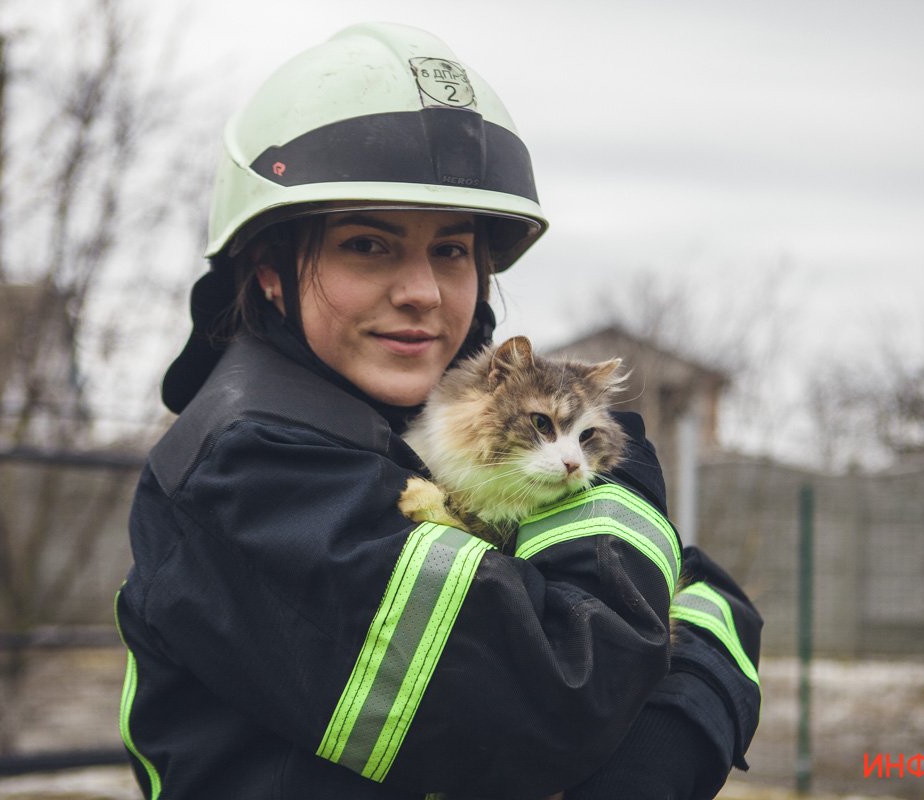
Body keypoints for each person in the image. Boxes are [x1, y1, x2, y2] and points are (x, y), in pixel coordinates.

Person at [115, 22, 761, 800]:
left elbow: (723, 606)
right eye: (368, 244)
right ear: (272, 272)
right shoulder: (249, 469)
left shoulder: (433, 426)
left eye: (452, 250)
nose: (423, 290)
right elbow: (558, 699)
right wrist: (674, 723)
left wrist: (664, 717)